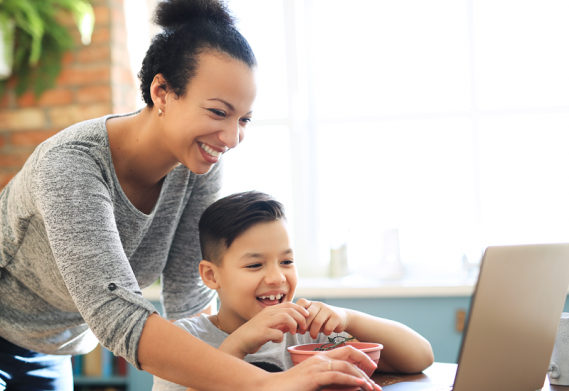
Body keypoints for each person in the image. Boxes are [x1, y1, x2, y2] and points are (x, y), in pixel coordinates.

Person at [0, 1, 384, 390]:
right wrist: (267, 385)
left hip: (51, 348)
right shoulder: (71, 166)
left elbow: (191, 306)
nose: (233, 138)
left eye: (244, 119)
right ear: (162, 92)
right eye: (219, 112)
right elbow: (117, 314)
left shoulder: (197, 167)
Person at [152, 191, 435, 391]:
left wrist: (349, 319)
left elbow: (420, 357)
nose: (277, 277)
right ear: (212, 275)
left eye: (287, 261)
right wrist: (238, 344)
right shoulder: (184, 340)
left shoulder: (306, 331)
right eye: (254, 265)